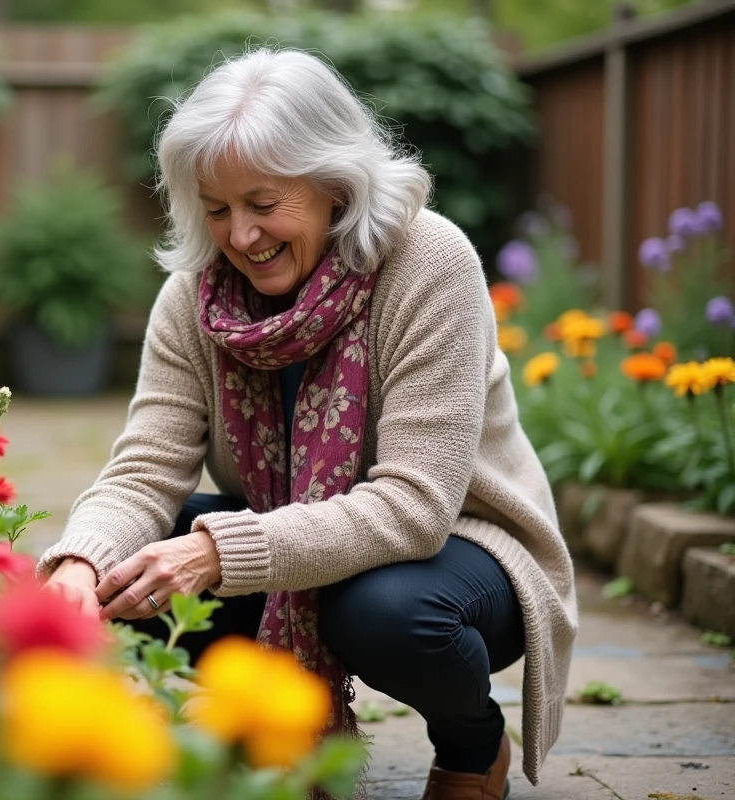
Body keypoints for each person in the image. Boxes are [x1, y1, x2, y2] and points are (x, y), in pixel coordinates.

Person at [36, 48, 577, 800]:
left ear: (334, 184)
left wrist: (217, 553)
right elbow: (143, 471)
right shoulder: (194, 300)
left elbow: (416, 510)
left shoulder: (429, 264)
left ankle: (470, 746)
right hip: (287, 533)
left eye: (263, 204)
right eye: (218, 209)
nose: (241, 236)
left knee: (382, 612)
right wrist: (82, 564)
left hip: (463, 546)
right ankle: (258, 736)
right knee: (129, 578)